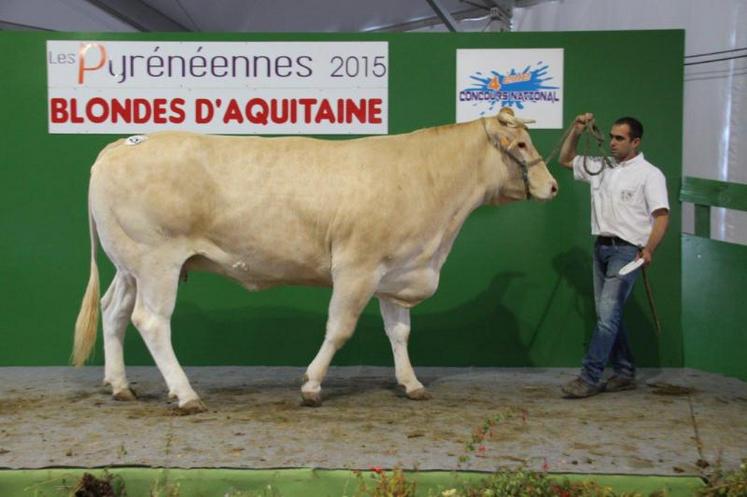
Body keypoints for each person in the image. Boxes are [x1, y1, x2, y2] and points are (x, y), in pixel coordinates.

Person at [557, 113, 670, 398]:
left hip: (628, 253)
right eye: (611, 137)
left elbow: (661, 217)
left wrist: (648, 250)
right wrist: (576, 131)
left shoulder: (650, 174)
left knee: (607, 317)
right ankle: (624, 370)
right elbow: (565, 159)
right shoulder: (601, 166)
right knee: (608, 315)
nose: (613, 143)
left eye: (620, 138)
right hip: (602, 248)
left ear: (636, 142)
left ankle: (590, 377)